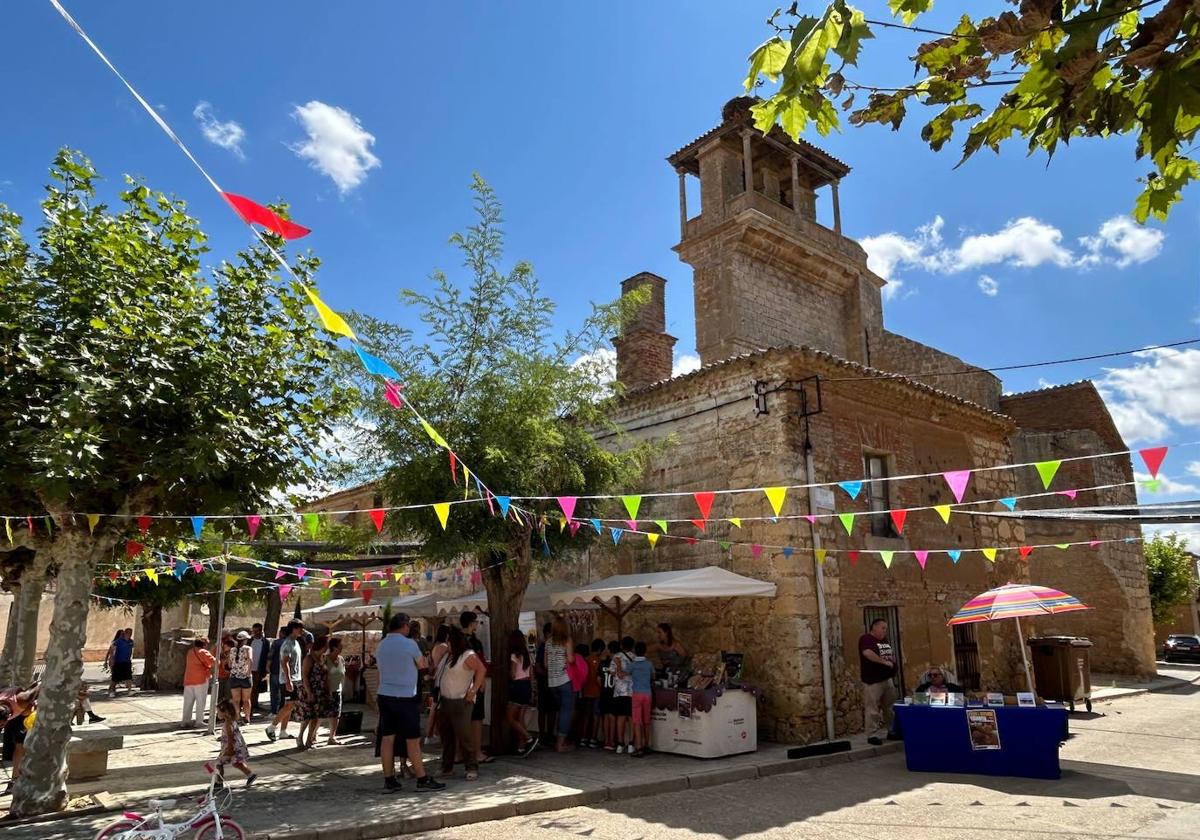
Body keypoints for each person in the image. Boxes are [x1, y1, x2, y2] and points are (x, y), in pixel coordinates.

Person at [377, 612, 445, 793]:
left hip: (384, 694)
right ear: (405, 626)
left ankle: (389, 779)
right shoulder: (410, 644)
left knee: (387, 738)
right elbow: (423, 667)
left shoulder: (381, 644)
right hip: (405, 695)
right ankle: (422, 778)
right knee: (412, 739)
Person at [436, 626, 487, 780]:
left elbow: (481, 670)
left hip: (461, 700)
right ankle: (447, 767)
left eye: (448, 642)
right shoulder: (449, 656)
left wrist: (473, 691)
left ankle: (471, 767)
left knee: (464, 736)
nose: (447, 645)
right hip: (445, 700)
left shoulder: (467, 655)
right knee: (446, 736)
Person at [859, 618, 897, 746]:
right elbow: (867, 653)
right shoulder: (866, 639)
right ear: (874, 627)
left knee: (890, 707)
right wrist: (884, 662)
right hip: (873, 680)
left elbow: (889, 653)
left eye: (886, 628)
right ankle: (872, 734)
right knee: (872, 708)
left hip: (887, 679)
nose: (885, 631)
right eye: (883, 628)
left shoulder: (883, 641)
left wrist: (892, 660)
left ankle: (892, 730)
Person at [460, 611, 491, 764]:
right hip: (473, 683)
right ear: (472, 624)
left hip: (458, 684)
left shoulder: (456, 641)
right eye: (476, 622)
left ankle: (461, 753)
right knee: (476, 719)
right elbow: (480, 665)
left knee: (462, 719)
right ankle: (477, 753)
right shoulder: (474, 643)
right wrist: (481, 682)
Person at [266, 621, 304, 742]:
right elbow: (284, 662)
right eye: (300, 628)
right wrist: (288, 680)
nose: (302, 631)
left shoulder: (296, 642)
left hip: (296, 678)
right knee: (289, 704)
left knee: (289, 706)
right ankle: (271, 727)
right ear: (293, 629)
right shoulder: (287, 644)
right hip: (288, 679)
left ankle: (283, 731)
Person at [0, 682, 40, 795]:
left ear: (7, 718)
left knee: (20, 746)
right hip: (11, 707)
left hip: (24, 713)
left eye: (2, 725)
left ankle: (15, 780)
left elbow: (39, 686)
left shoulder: (22, 700)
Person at [545, 617, 576, 752]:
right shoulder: (567, 640)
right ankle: (561, 744)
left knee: (560, 710)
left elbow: (546, 664)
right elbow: (570, 659)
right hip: (564, 680)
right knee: (566, 711)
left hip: (552, 682)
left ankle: (560, 738)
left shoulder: (548, 642)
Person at [506, 629, 537, 756]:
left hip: (517, 686)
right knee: (520, 718)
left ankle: (528, 737)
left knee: (510, 717)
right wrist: (533, 689)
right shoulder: (528, 655)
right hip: (527, 686)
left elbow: (513, 674)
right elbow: (531, 674)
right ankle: (522, 747)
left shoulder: (514, 655)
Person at [215, 698, 257, 789]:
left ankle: (219, 782)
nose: (217, 714)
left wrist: (229, 750)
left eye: (218, 712)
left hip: (231, 748)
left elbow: (230, 738)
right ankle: (251, 775)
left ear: (225, 712)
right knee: (237, 763)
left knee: (219, 764)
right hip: (237, 747)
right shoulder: (232, 722)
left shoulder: (227, 725)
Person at [298, 635, 329, 750]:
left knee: (316, 716)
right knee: (307, 715)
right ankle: (300, 736)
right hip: (309, 689)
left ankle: (309, 739)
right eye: (326, 645)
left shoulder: (323, 658)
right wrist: (309, 692)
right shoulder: (309, 658)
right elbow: (305, 676)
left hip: (320, 691)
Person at [425, 625, 451, 746]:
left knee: (435, 708)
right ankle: (429, 734)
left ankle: (433, 733)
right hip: (439, 680)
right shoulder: (444, 647)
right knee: (435, 708)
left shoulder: (435, 646)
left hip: (434, 679)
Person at [182, 637, 216, 728]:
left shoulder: (190, 652)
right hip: (200, 680)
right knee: (200, 701)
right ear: (204, 644)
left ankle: (185, 721)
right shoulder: (203, 652)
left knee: (188, 702)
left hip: (188, 679)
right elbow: (215, 662)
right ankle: (199, 721)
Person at [629, 641, 655, 757]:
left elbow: (622, 674)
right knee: (647, 720)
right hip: (647, 694)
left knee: (637, 721)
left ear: (635, 651)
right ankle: (646, 745)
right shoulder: (649, 664)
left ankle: (638, 746)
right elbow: (653, 677)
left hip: (637, 694)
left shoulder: (633, 665)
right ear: (645, 651)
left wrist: (618, 665)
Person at [610, 636, 635, 753]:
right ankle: (631, 743)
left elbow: (612, 671)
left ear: (621, 645)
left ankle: (620, 744)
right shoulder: (635, 658)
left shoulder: (616, 657)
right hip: (631, 692)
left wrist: (618, 668)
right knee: (631, 718)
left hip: (619, 691)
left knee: (620, 717)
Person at [580, 639, 604, 748]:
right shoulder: (599, 661)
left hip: (586, 691)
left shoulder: (585, 660)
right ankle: (593, 739)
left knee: (586, 715)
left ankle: (583, 738)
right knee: (595, 716)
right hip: (597, 692)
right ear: (599, 650)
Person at [229, 631, 255, 723]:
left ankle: (237, 716)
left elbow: (229, 663)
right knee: (246, 700)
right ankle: (247, 718)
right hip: (245, 676)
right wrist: (248, 672)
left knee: (236, 700)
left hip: (234, 676)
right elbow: (250, 659)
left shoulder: (232, 650)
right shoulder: (248, 649)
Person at [534, 622, 553, 742]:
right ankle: (543, 734)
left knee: (551, 710)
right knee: (544, 710)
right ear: (547, 633)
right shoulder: (543, 647)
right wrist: (547, 675)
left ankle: (549, 734)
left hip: (551, 682)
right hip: (545, 682)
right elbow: (538, 666)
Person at [325, 637, 346, 746]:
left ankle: (332, 737)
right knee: (322, 714)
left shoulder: (341, 659)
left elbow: (343, 675)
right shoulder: (325, 659)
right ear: (334, 647)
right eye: (340, 645)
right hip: (326, 691)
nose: (342, 647)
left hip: (337, 690)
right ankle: (312, 735)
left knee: (336, 714)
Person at [599, 639, 618, 750]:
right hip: (614, 693)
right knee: (612, 717)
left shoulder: (602, 663)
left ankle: (606, 741)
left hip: (604, 692)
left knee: (605, 717)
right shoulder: (617, 663)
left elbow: (598, 679)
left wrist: (602, 688)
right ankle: (612, 741)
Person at [106, 628, 135, 697]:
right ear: (125, 633)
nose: (130, 634)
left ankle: (129, 691)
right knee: (115, 678)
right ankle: (111, 691)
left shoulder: (131, 642)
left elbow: (131, 650)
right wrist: (111, 660)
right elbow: (112, 651)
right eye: (128, 633)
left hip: (127, 662)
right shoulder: (118, 641)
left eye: (131, 633)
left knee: (129, 677)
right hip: (118, 662)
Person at [267, 631, 286, 715]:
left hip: (275, 669)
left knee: (274, 692)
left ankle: (273, 710)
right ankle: (282, 710)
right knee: (283, 693)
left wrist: (267, 666)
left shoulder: (276, 643)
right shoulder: (292, 643)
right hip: (285, 671)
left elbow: (270, 655)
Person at [249, 623, 267, 713]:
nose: (255, 633)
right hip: (248, 669)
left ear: (261, 631)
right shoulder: (249, 641)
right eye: (253, 631)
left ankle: (253, 706)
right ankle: (250, 707)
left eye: (257, 631)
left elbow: (267, 656)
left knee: (255, 689)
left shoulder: (265, 642)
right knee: (250, 689)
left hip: (259, 669)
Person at [218, 635, 235, 702]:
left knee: (227, 695)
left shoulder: (233, 654)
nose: (224, 647)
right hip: (221, 676)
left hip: (229, 677)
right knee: (220, 694)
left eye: (226, 646)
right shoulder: (222, 653)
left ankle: (227, 709)